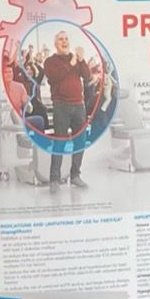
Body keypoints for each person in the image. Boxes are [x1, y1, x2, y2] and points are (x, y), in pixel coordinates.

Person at [42, 30, 91, 188]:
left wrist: (81, 61)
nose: (64, 41)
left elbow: (87, 76)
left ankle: (75, 175)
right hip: (61, 106)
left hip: (79, 106)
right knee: (60, 142)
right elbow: (55, 77)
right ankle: (54, 179)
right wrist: (71, 64)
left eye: (66, 39)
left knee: (80, 141)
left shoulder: (76, 59)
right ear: (55, 43)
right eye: (61, 39)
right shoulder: (50, 62)